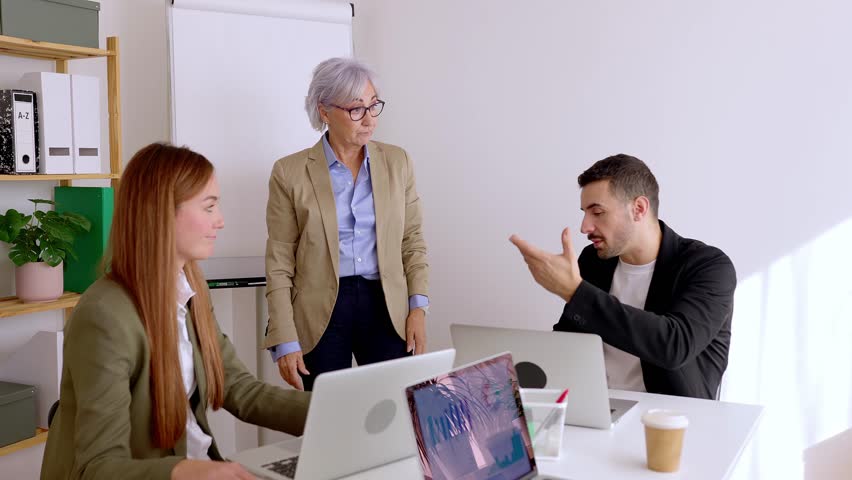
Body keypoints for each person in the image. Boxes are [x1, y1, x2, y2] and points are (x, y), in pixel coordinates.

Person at [41, 143, 311, 480]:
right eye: (209, 207)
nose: (221, 221)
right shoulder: (104, 316)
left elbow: (240, 390)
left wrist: (332, 409)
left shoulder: (190, 290)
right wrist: (188, 472)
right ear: (162, 213)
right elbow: (98, 467)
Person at [510, 154, 736, 399]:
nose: (585, 226)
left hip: (671, 422)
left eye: (597, 212)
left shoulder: (708, 266)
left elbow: (674, 346)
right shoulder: (594, 261)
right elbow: (569, 344)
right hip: (596, 410)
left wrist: (574, 292)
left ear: (638, 209)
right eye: (585, 213)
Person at [264, 57, 429, 391]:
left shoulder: (398, 162)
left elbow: (412, 241)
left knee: (394, 413)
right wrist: (284, 337)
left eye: (373, 106)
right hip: (319, 310)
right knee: (326, 422)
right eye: (356, 110)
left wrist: (418, 307)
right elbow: (279, 261)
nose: (369, 120)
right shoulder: (290, 172)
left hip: (385, 304)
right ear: (325, 111)